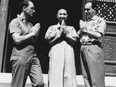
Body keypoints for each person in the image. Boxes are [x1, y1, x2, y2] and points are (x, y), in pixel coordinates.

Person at [9, 0, 44, 87]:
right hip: (20, 54)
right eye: (32, 8)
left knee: (39, 83)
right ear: (24, 8)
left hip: (32, 55)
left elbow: (32, 40)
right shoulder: (15, 22)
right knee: (18, 84)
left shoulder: (30, 24)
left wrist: (35, 32)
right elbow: (17, 40)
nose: (34, 11)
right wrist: (32, 33)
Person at [45, 9, 78, 87]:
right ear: (57, 16)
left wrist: (66, 34)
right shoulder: (52, 27)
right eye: (60, 14)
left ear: (67, 16)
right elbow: (48, 39)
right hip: (56, 52)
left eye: (64, 14)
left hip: (68, 52)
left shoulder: (71, 28)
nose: (62, 16)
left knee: (69, 74)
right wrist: (59, 34)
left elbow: (75, 40)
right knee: (55, 74)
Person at [77, 1, 106, 87]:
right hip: (83, 48)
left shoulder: (100, 21)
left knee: (96, 78)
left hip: (93, 47)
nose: (86, 12)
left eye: (88, 9)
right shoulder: (85, 22)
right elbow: (77, 35)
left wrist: (85, 30)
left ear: (95, 9)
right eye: (85, 10)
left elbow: (99, 35)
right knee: (86, 78)